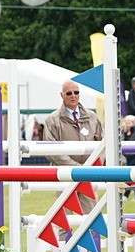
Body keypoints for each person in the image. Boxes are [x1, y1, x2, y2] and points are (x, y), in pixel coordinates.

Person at [43, 81, 105, 211]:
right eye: (69, 93)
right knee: (63, 219)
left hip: (89, 173)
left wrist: (93, 165)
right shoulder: (52, 119)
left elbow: (103, 143)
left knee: (92, 215)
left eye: (76, 92)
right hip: (65, 174)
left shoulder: (92, 117)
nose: (73, 96)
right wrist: (77, 168)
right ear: (62, 95)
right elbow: (51, 150)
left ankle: (93, 233)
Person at [120, 115, 135, 200]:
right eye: (126, 123)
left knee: (133, 176)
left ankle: (128, 195)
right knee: (131, 176)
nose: (127, 124)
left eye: (129, 123)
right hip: (128, 157)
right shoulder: (123, 132)